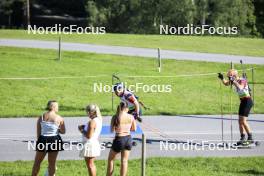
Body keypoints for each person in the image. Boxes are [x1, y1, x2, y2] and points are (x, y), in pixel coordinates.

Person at [218, 69, 254, 145]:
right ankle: (242, 137)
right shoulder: (233, 80)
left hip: (247, 101)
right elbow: (226, 83)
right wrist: (222, 78)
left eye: (230, 76)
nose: (229, 78)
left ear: (234, 76)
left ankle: (250, 138)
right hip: (243, 101)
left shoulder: (242, 80)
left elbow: (240, 87)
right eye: (228, 77)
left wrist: (234, 81)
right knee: (240, 121)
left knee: (243, 121)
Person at [32, 100, 65, 176]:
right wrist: (57, 129)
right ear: (53, 107)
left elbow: (38, 132)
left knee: (37, 162)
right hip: (54, 140)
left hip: (42, 139)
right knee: (52, 163)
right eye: (57, 106)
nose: (58, 108)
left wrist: (39, 142)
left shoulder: (42, 117)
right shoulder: (59, 118)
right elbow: (63, 131)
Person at [106, 101, 137, 176]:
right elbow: (134, 129)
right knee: (124, 161)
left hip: (119, 139)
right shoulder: (131, 117)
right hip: (128, 139)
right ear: (126, 108)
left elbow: (111, 130)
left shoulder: (115, 116)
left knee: (111, 159)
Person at [78, 104, 102, 176]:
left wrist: (81, 129)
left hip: (89, 144)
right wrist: (85, 127)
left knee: (90, 165)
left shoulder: (92, 121)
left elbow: (89, 135)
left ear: (91, 112)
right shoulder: (98, 119)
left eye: (87, 112)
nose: (87, 114)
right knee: (91, 164)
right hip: (93, 143)